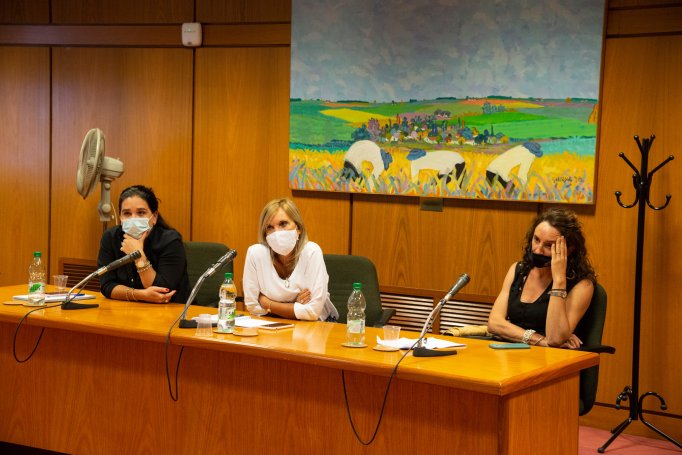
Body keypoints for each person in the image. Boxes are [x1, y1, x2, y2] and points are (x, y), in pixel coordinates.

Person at [487, 207, 596, 348]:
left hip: (551, 361)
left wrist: (559, 280)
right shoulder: (518, 270)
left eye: (549, 246)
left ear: (569, 250)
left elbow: (556, 338)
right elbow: (494, 323)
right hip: (509, 355)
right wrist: (540, 340)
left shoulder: (582, 285)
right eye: (536, 239)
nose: (538, 250)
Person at [242, 198, 339, 322]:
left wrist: (266, 303)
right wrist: (294, 304)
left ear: (298, 228)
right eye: (270, 227)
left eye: (283, 224)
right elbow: (253, 307)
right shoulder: (255, 254)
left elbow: (312, 312)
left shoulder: (312, 252)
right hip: (270, 325)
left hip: (315, 327)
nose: (277, 232)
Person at [98, 185, 190, 304]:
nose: (133, 219)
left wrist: (139, 256)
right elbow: (107, 286)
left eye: (141, 213)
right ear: (120, 217)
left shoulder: (170, 241)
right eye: (127, 213)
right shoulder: (110, 237)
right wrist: (140, 295)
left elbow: (161, 292)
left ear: (154, 217)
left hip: (171, 311)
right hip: (127, 310)